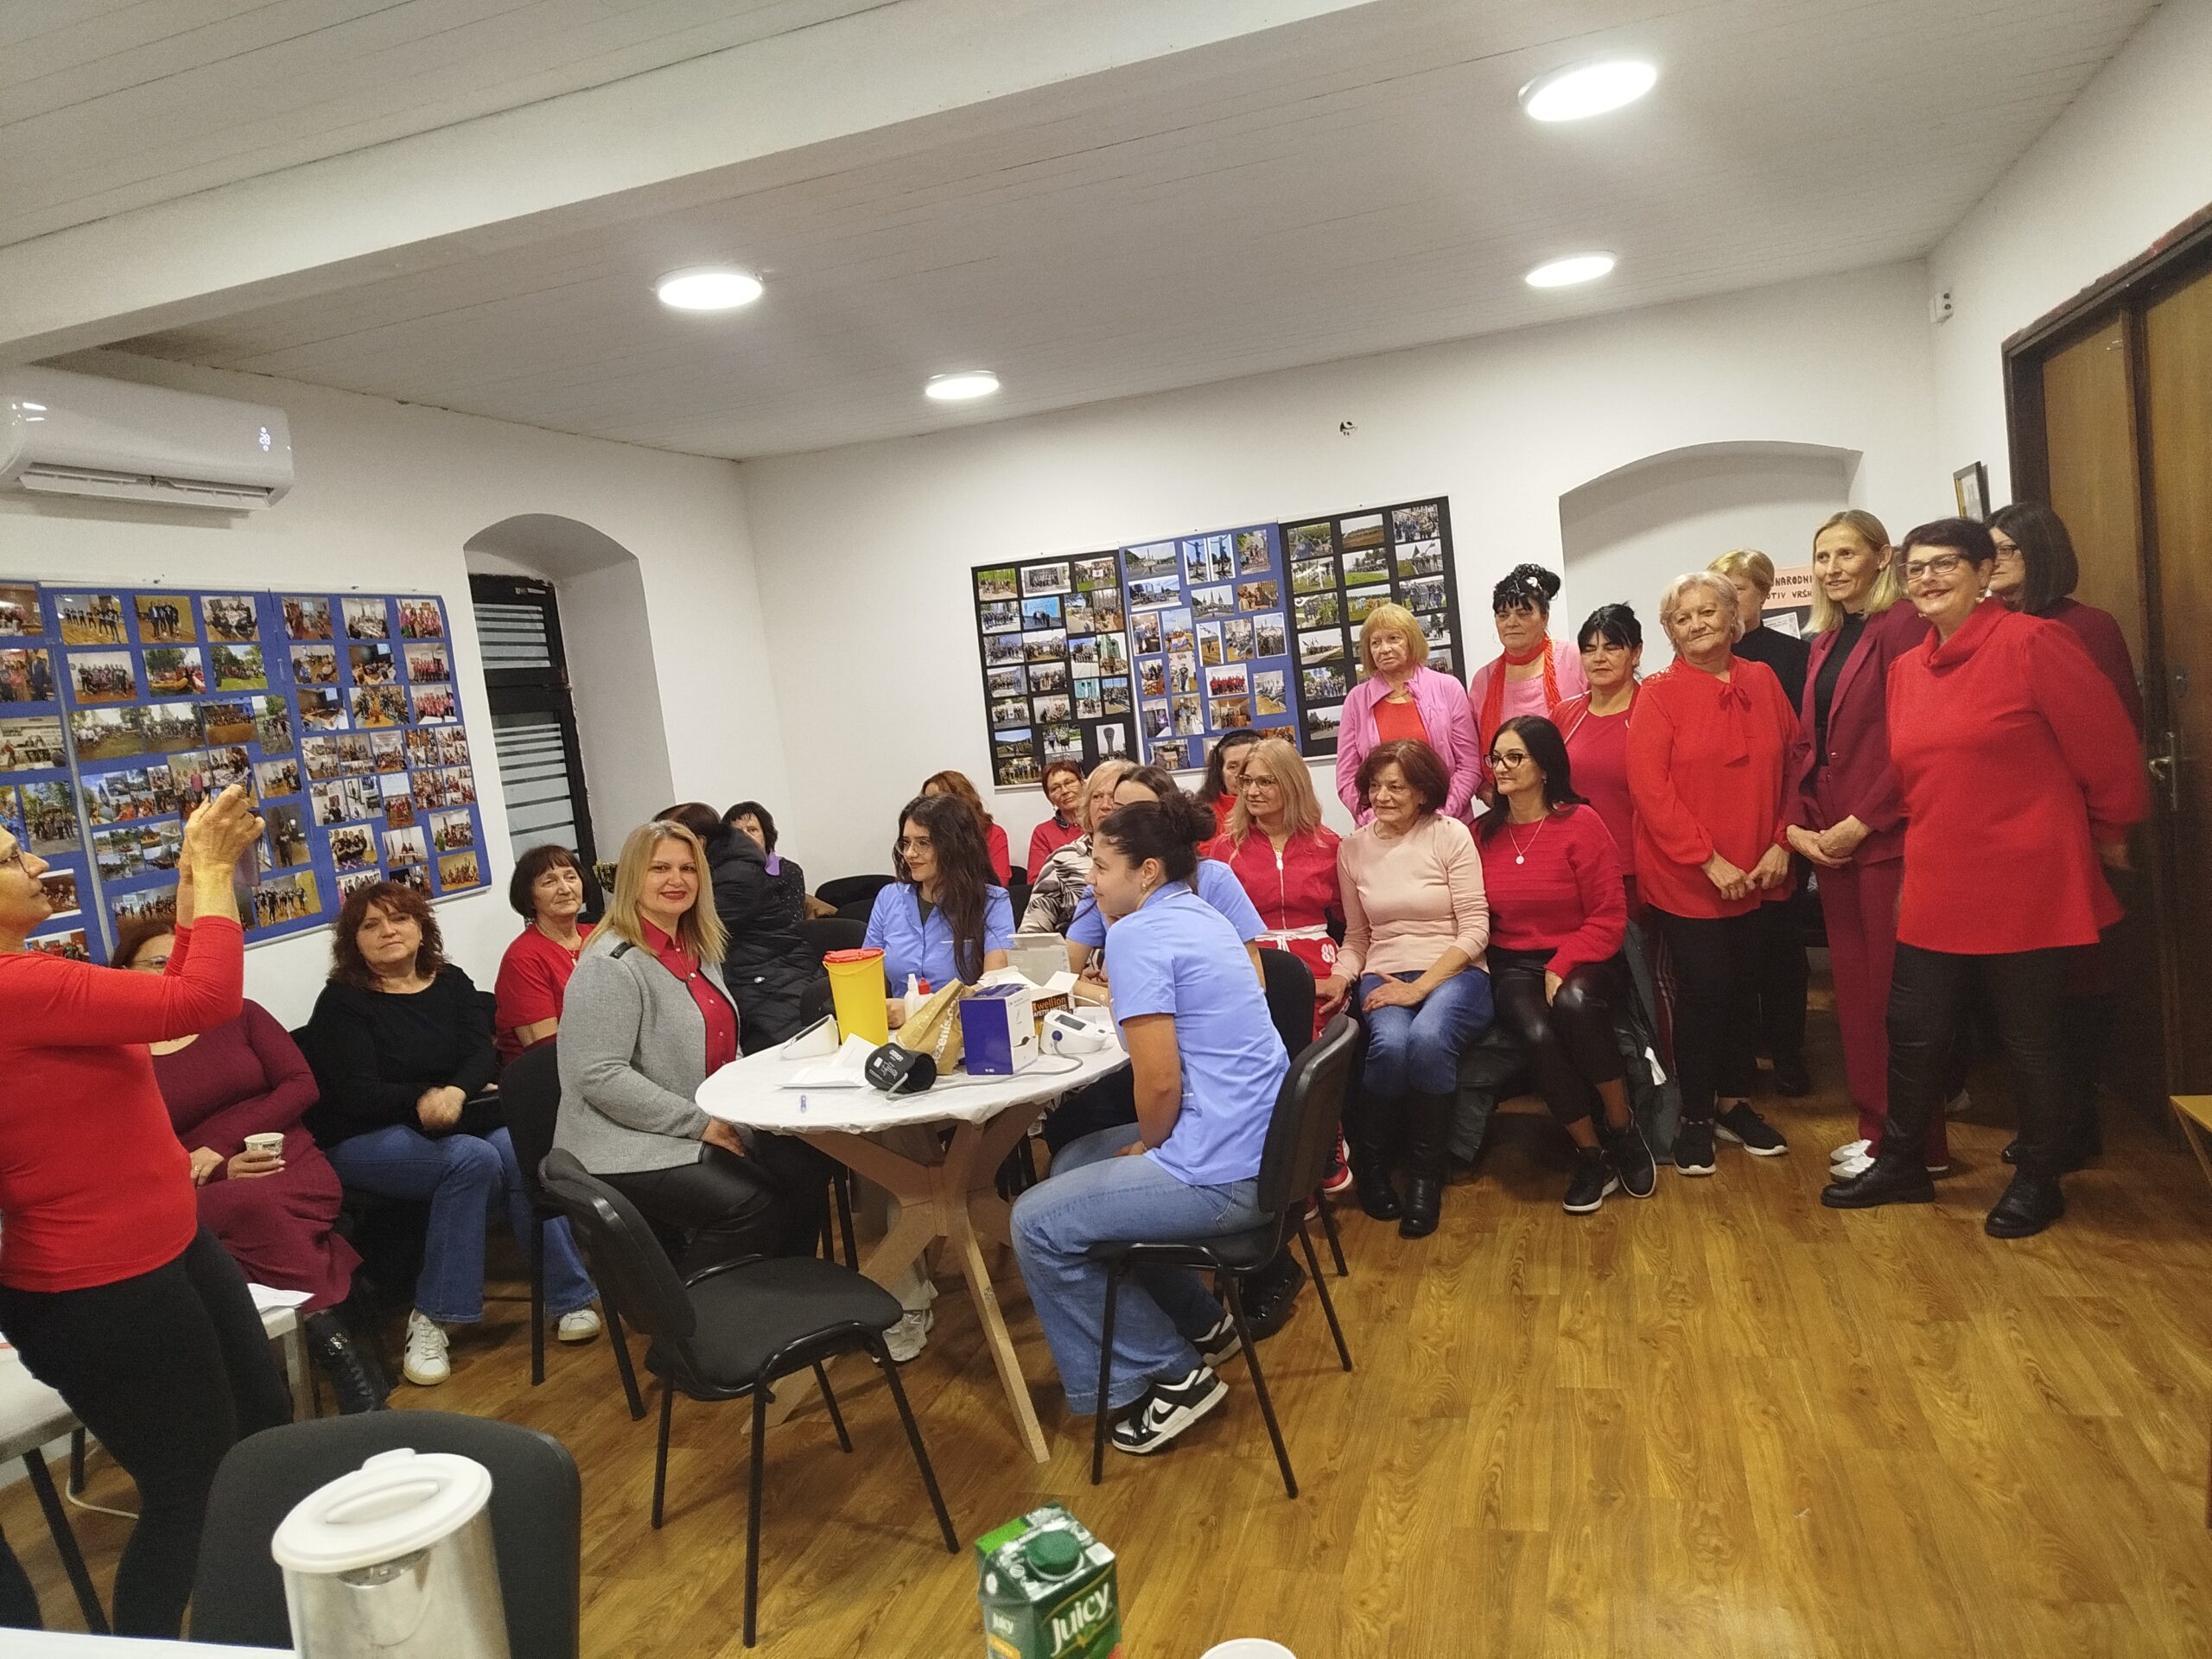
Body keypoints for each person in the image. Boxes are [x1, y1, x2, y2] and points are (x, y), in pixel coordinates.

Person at [0, 789, 293, 1638]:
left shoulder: (33, 976)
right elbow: (204, 1003)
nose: (37, 862)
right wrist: (213, 869)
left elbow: (175, 992)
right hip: (98, 1286)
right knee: (189, 1489)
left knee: (262, 1425)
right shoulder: (19, 987)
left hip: (171, 1242)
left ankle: (262, 1621)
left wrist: (199, 884)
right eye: (13, 858)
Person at [1823, 518, 2148, 1236]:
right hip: (1938, 878)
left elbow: (2109, 753)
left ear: (1982, 574)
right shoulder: (1908, 670)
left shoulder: (2034, 643)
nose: (1928, 579)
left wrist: (2109, 833)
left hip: (2026, 879)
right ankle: (1901, 1163)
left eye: (1945, 565)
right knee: (1913, 1030)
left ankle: (2039, 1178)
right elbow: (1916, 780)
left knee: (2031, 1039)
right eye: (1916, 570)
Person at [1009, 792, 1287, 1455]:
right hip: (1264, 1152)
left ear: (1148, 871)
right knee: (1074, 1159)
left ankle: (1172, 1376)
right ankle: (1202, 1322)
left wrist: (1150, 1147)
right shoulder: (1198, 911)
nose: (1091, 880)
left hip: (1223, 1174)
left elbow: (1159, 1083)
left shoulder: (1136, 935)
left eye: (1102, 867)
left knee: (1034, 1223)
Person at [303, 881, 601, 1388]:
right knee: (471, 1159)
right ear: (353, 941)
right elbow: (357, 1093)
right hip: (362, 1137)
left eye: (399, 919)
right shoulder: (342, 1003)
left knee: (516, 1149)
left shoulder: (451, 981)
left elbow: (481, 1053)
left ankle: (569, 1297)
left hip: (454, 1118)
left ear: (422, 928)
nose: (388, 931)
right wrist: (426, 1098)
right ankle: (432, 1318)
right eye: (371, 925)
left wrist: (457, 1092)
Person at [113, 919, 385, 1415]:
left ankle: (267, 1392)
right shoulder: (122, 1053)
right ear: (125, 972)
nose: (176, 971)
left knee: (237, 1231)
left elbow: (300, 1085)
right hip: (197, 1183)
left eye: (186, 962)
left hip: (287, 1159)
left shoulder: (239, 1014)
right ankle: (342, 1359)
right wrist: (218, 1169)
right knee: (240, 1214)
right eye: (160, 962)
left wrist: (220, 1146)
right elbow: (130, 1145)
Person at [555, 819, 828, 1274]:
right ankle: (688, 1315)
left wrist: (750, 1106)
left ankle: (785, 1295)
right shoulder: (610, 963)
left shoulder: (696, 946)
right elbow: (599, 1075)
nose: (676, 880)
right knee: (752, 1204)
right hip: (623, 1140)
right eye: (659, 868)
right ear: (632, 878)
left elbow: (724, 1046)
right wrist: (700, 1124)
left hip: (696, 1120)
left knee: (805, 1167)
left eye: (688, 868)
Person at [1782, 511, 1941, 1179]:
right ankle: (1876, 1129)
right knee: (1855, 997)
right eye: (1823, 557)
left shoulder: (1901, 625)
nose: (1832, 568)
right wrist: (1796, 824)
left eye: (1846, 554)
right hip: (1832, 840)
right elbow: (1806, 744)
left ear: (1882, 557)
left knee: (1895, 1001)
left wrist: (1862, 822)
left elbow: (1916, 740)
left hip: (1886, 839)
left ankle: (1918, 1146)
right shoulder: (1826, 637)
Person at [1988, 501, 2143, 1166]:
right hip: (2006, 835)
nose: (1993, 562)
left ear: (2041, 553)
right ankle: (2046, 1124)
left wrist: (2106, 823)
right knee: (2025, 990)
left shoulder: (2086, 627)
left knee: (2077, 978)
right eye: (1988, 550)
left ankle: (2074, 1125)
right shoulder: (1990, 627)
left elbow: (2115, 730)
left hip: (2072, 829)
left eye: (2007, 549)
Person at [1626, 571, 1796, 1176]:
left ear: (1733, 616)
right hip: (1688, 874)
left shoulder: (1764, 679)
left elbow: (1795, 763)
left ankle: (1734, 1103)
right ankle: (1695, 1115)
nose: (1696, 624)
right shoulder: (1657, 695)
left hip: (1760, 868)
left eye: (1707, 611)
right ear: (1670, 631)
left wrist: (1783, 841)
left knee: (1746, 988)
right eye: (1683, 617)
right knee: (1706, 990)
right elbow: (1651, 791)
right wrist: (1707, 859)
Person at [1476, 716, 1656, 1212]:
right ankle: (1591, 1154)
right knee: (1537, 1033)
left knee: (1574, 1004)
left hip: (1586, 951)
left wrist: (1563, 963)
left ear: (1545, 767)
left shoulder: (1581, 824)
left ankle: (1622, 1129)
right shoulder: (1480, 834)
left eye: (1515, 757)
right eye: (1496, 758)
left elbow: (1609, 916)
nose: (1501, 768)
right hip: (1513, 963)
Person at [1324, 739, 1491, 1236]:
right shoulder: (1352, 849)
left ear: (1422, 791)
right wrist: (1341, 976)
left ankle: (1425, 1177)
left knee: (1429, 1038)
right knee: (1392, 1045)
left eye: (1396, 786)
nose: (1382, 796)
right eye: (1375, 786)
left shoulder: (1450, 835)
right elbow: (1358, 937)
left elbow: (1476, 928)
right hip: (1384, 971)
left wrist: (1420, 989)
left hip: (1457, 971)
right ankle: (1373, 1166)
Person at [1710, 548, 1814, 1097]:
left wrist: (1785, 838)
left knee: (1781, 952)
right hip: (1721, 839)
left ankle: (1789, 1053)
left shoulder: (1793, 658)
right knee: (1733, 957)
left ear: (1765, 593)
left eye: (1739, 591)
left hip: (1779, 829)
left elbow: (1800, 753)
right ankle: (1742, 1055)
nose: (1726, 604)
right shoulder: (1699, 661)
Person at [1065, 766, 1266, 982]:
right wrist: (1097, 990)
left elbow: (1255, 980)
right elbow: (1062, 979)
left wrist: (1102, 991)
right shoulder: (1103, 884)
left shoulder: (1214, 878)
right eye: (1119, 810)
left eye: (1140, 813)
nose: (1124, 823)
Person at [660, 801, 820, 1052]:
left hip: (772, 986)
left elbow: (689, 929)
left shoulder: (738, 874)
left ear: (699, 843)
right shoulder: (718, 866)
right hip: (749, 978)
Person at [1209, 734, 1343, 1031]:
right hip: (1249, 965)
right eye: (1246, 781)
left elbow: (1352, 925)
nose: (1252, 791)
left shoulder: (1329, 844)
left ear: (1292, 784)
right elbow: (1214, 926)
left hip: (1321, 966)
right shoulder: (1225, 848)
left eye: (1265, 782)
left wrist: (1341, 976)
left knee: (1314, 1035)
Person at [868, 791, 1014, 1020]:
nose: (910, 853)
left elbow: (994, 987)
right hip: (897, 1032)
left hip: (963, 1028)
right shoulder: (889, 898)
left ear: (954, 846)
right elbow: (867, 978)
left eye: (923, 843)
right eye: (906, 843)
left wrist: (917, 1010)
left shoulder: (993, 902)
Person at [1334, 604, 1482, 823]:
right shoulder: (1356, 700)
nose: (1384, 649)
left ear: (1412, 641)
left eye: (1394, 638)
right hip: (1380, 829)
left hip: (1445, 824)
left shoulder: (1448, 687)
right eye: (1376, 642)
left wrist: (1440, 815)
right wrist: (1377, 819)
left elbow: (1469, 765)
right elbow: (1347, 776)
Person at [1465, 564, 1588, 795]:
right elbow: (1470, 748)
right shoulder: (1484, 679)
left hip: (1575, 791)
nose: (1511, 622)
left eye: (1523, 614)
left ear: (1544, 617)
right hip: (1511, 801)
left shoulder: (1573, 659)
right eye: (1503, 615)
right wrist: (1484, 789)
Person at [493, 843, 594, 1063]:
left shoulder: (601, 936)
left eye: (571, 877)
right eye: (549, 882)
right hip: (552, 1071)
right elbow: (546, 1049)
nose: (565, 889)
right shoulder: (522, 958)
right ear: (530, 897)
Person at [1020, 760, 1135, 934]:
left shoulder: (1154, 855)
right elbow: (1031, 935)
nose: (1105, 805)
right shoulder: (1060, 861)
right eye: (1097, 797)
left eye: (1113, 797)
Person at [920, 769, 1012, 883]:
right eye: (926, 802)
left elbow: (998, 884)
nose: (929, 808)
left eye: (936, 801)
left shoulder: (993, 833)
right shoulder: (922, 836)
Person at [1196, 728, 1262, 836]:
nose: (1241, 774)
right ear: (1220, 772)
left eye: (1248, 764)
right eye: (1233, 767)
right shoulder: (1204, 814)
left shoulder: (1279, 806)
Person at [1027, 761, 1088, 876]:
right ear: (1049, 798)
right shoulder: (1043, 833)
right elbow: (1037, 880)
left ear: (1082, 784)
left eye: (1069, 782)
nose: (1065, 791)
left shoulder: (1102, 822)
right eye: (1055, 788)